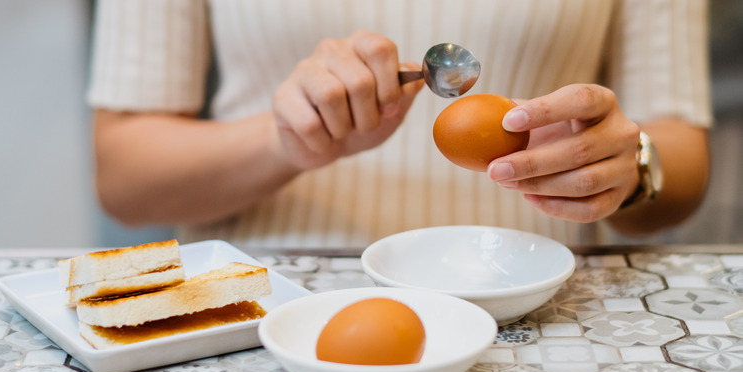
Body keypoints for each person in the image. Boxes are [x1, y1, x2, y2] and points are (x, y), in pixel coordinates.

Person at [87, 0, 712, 249]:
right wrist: (286, 142)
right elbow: (125, 177)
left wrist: (626, 170)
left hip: (530, 301)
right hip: (266, 305)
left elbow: (681, 159)